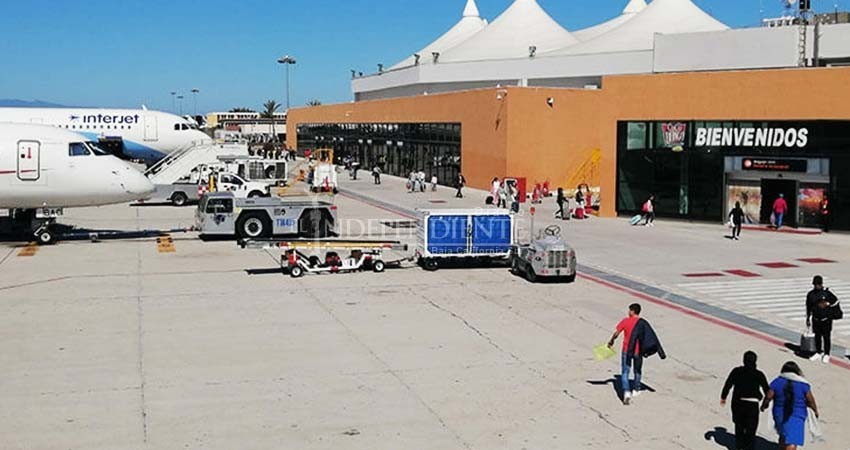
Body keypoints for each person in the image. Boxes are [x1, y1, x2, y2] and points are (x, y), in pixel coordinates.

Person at [761, 361, 819, 450]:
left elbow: (769, 396)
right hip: (797, 414)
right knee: (792, 440)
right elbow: (810, 400)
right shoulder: (803, 384)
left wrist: (764, 405)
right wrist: (815, 410)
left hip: (779, 413)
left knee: (783, 435)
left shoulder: (777, 381)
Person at [721, 351, 770, 450]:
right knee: (751, 430)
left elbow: (728, 384)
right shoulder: (759, 374)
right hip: (752, 404)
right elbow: (767, 390)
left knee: (739, 426)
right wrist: (765, 403)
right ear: (755, 361)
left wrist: (723, 396)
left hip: (738, 403)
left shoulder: (736, 371)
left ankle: (739, 447)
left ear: (743, 360)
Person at [608, 303, 642, 405]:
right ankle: (636, 389)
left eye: (629, 310)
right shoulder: (642, 323)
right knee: (637, 370)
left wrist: (611, 341)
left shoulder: (625, 321)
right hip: (638, 350)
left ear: (632, 311)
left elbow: (616, 333)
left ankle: (626, 392)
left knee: (625, 371)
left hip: (627, 350)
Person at [806, 275, 840, 363]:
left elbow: (836, 302)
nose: (817, 286)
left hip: (826, 319)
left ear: (821, 284)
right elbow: (808, 307)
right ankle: (818, 352)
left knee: (826, 337)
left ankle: (827, 354)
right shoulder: (811, 294)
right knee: (817, 336)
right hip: (816, 319)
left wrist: (827, 304)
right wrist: (808, 319)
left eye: (819, 284)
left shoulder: (827, 293)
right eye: (816, 284)